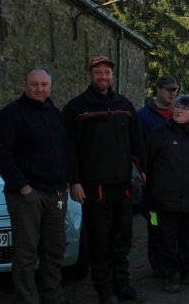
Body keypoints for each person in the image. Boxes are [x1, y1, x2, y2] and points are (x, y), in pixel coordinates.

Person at [64, 56, 146, 304]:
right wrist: (74, 181)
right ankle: (105, 290)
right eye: (98, 72)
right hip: (93, 187)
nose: (103, 77)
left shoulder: (124, 104)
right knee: (100, 242)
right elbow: (69, 149)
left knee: (122, 241)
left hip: (123, 186)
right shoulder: (76, 108)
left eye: (107, 72)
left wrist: (141, 169)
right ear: (90, 74)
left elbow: (137, 141)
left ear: (112, 75)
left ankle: (122, 284)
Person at [0, 68, 74, 304]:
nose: (40, 89)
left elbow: (66, 150)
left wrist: (66, 182)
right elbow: (2, 156)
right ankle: (28, 299)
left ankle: (53, 296)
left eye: (44, 84)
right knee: (26, 253)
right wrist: (24, 188)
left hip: (56, 193)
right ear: (24, 86)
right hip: (27, 195)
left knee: (54, 250)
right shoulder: (10, 115)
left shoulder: (55, 115)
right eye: (34, 84)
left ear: (50, 86)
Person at [137, 75, 189, 277]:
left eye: (184, 108)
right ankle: (169, 275)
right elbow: (147, 162)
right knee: (165, 240)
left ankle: (188, 273)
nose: (179, 110)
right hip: (164, 201)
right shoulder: (158, 134)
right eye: (177, 107)